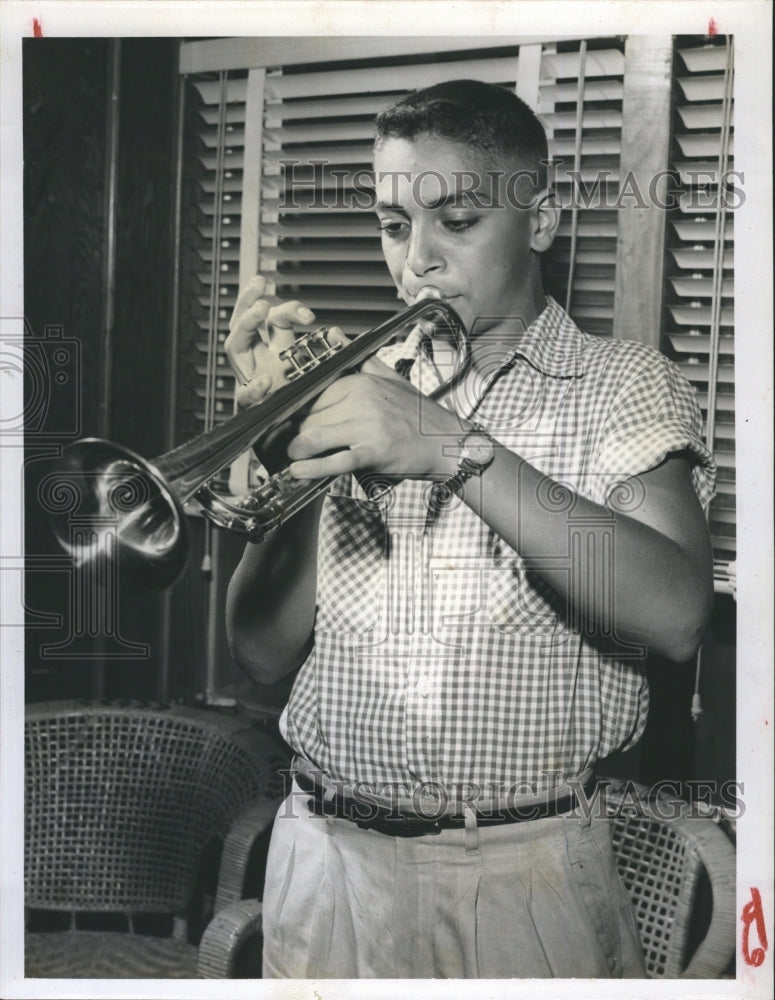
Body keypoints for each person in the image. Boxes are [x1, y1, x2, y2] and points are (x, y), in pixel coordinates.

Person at [224, 79, 715, 979]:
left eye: (456, 222)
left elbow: (676, 611)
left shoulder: (621, 386)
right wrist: (285, 444)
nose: (418, 262)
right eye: (391, 225)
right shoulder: (356, 389)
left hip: (518, 878)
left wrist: (450, 444)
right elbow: (258, 653)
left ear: (540, 221)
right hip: (321, 859)